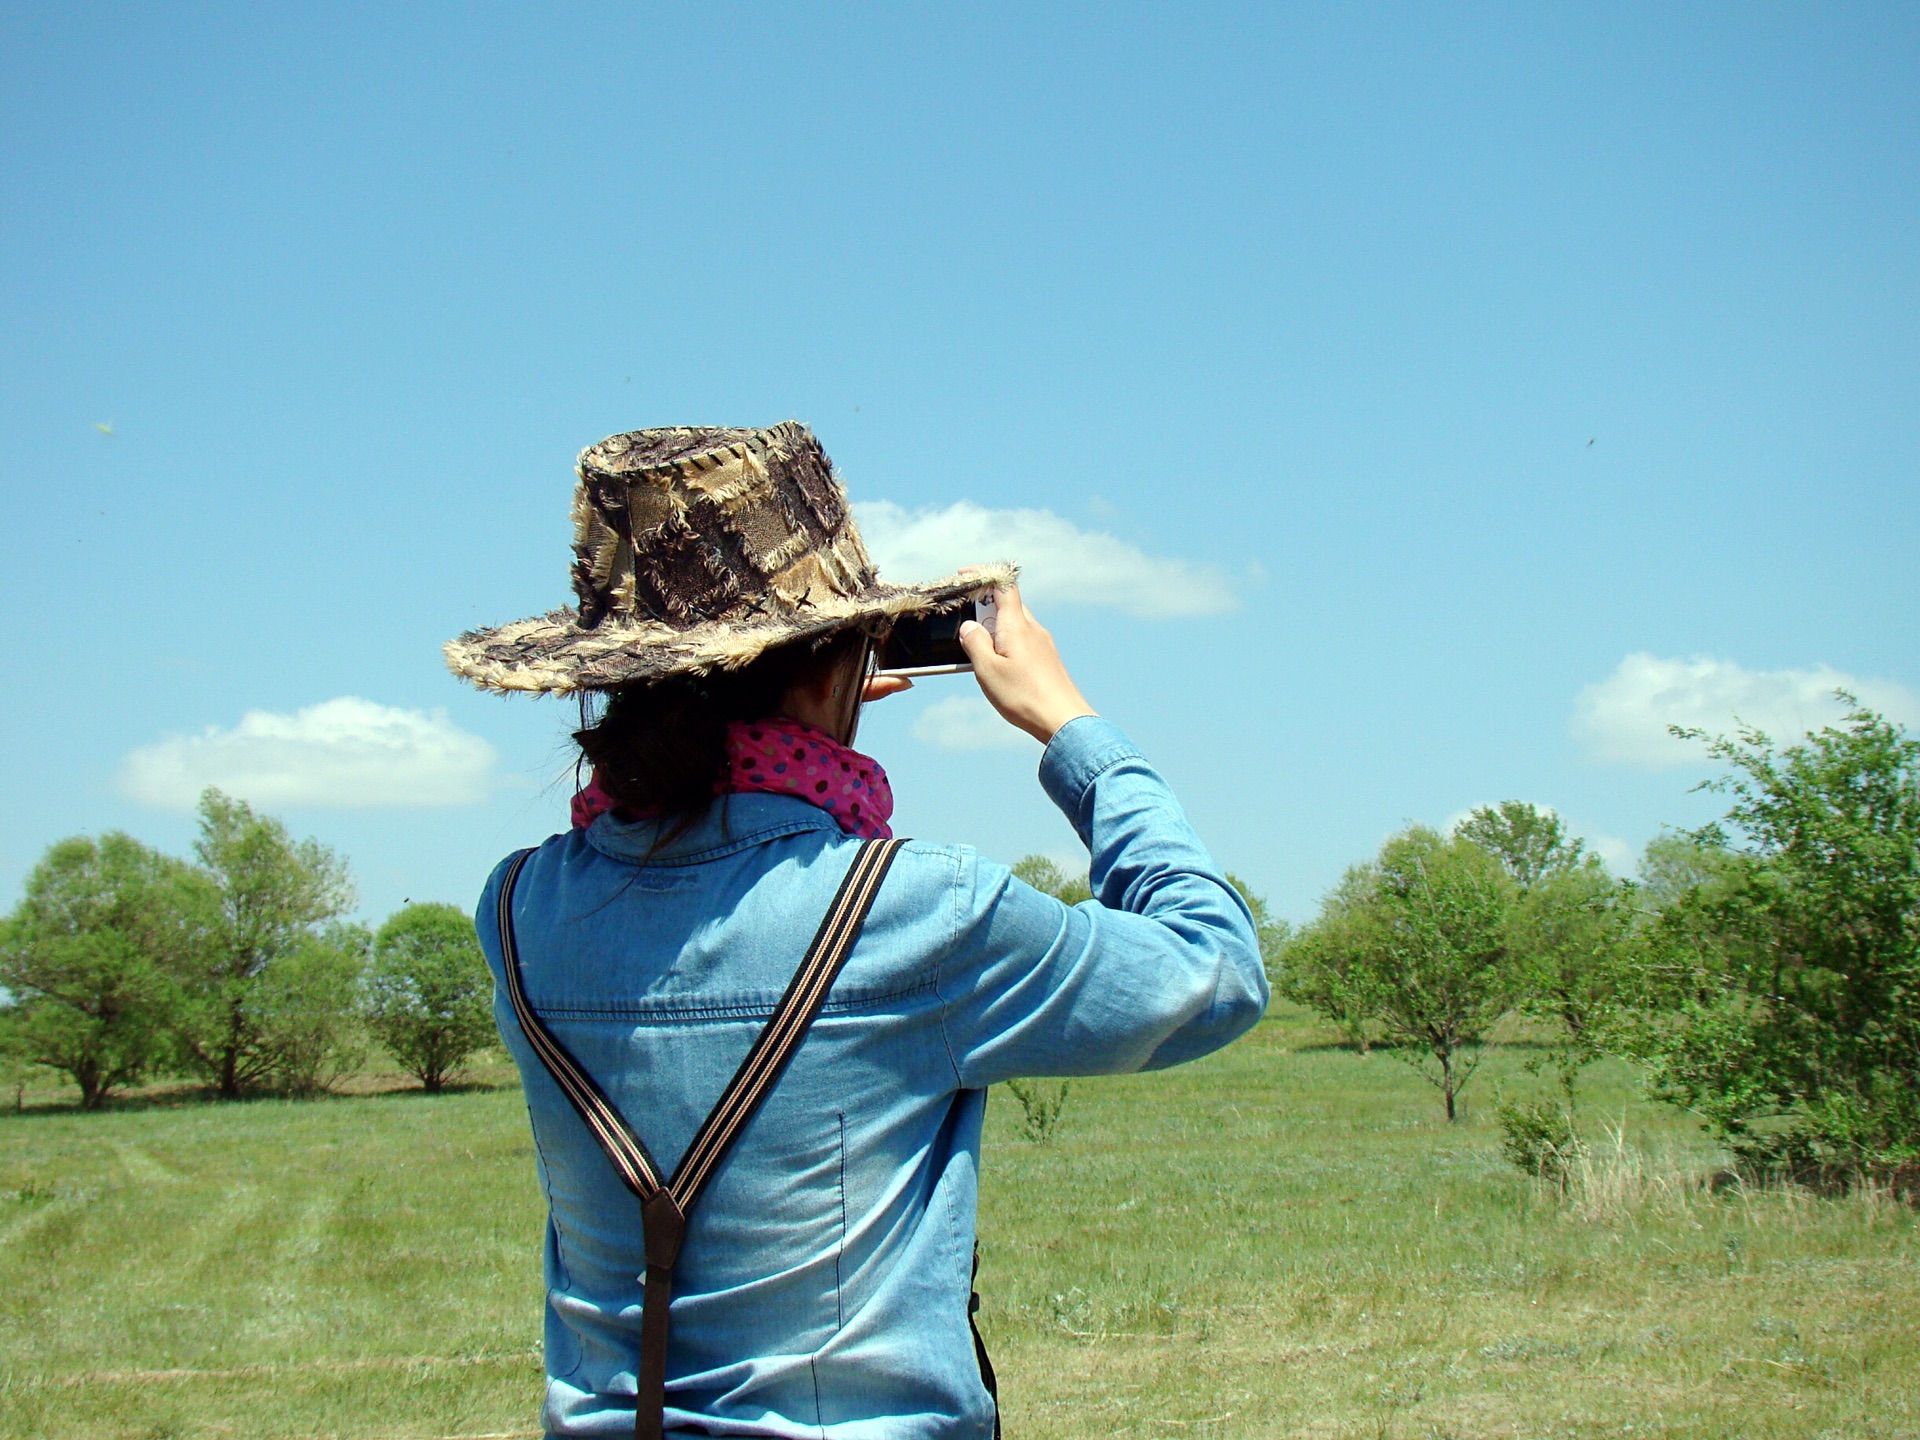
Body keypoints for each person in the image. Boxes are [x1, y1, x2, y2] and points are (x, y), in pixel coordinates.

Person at [447, 423, 1269, 1439]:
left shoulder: (520, 908)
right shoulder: (915, 910)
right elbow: (1216, 968)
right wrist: (1075, 730)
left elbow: (651, 814)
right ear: (836, 654)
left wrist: (798, 709)